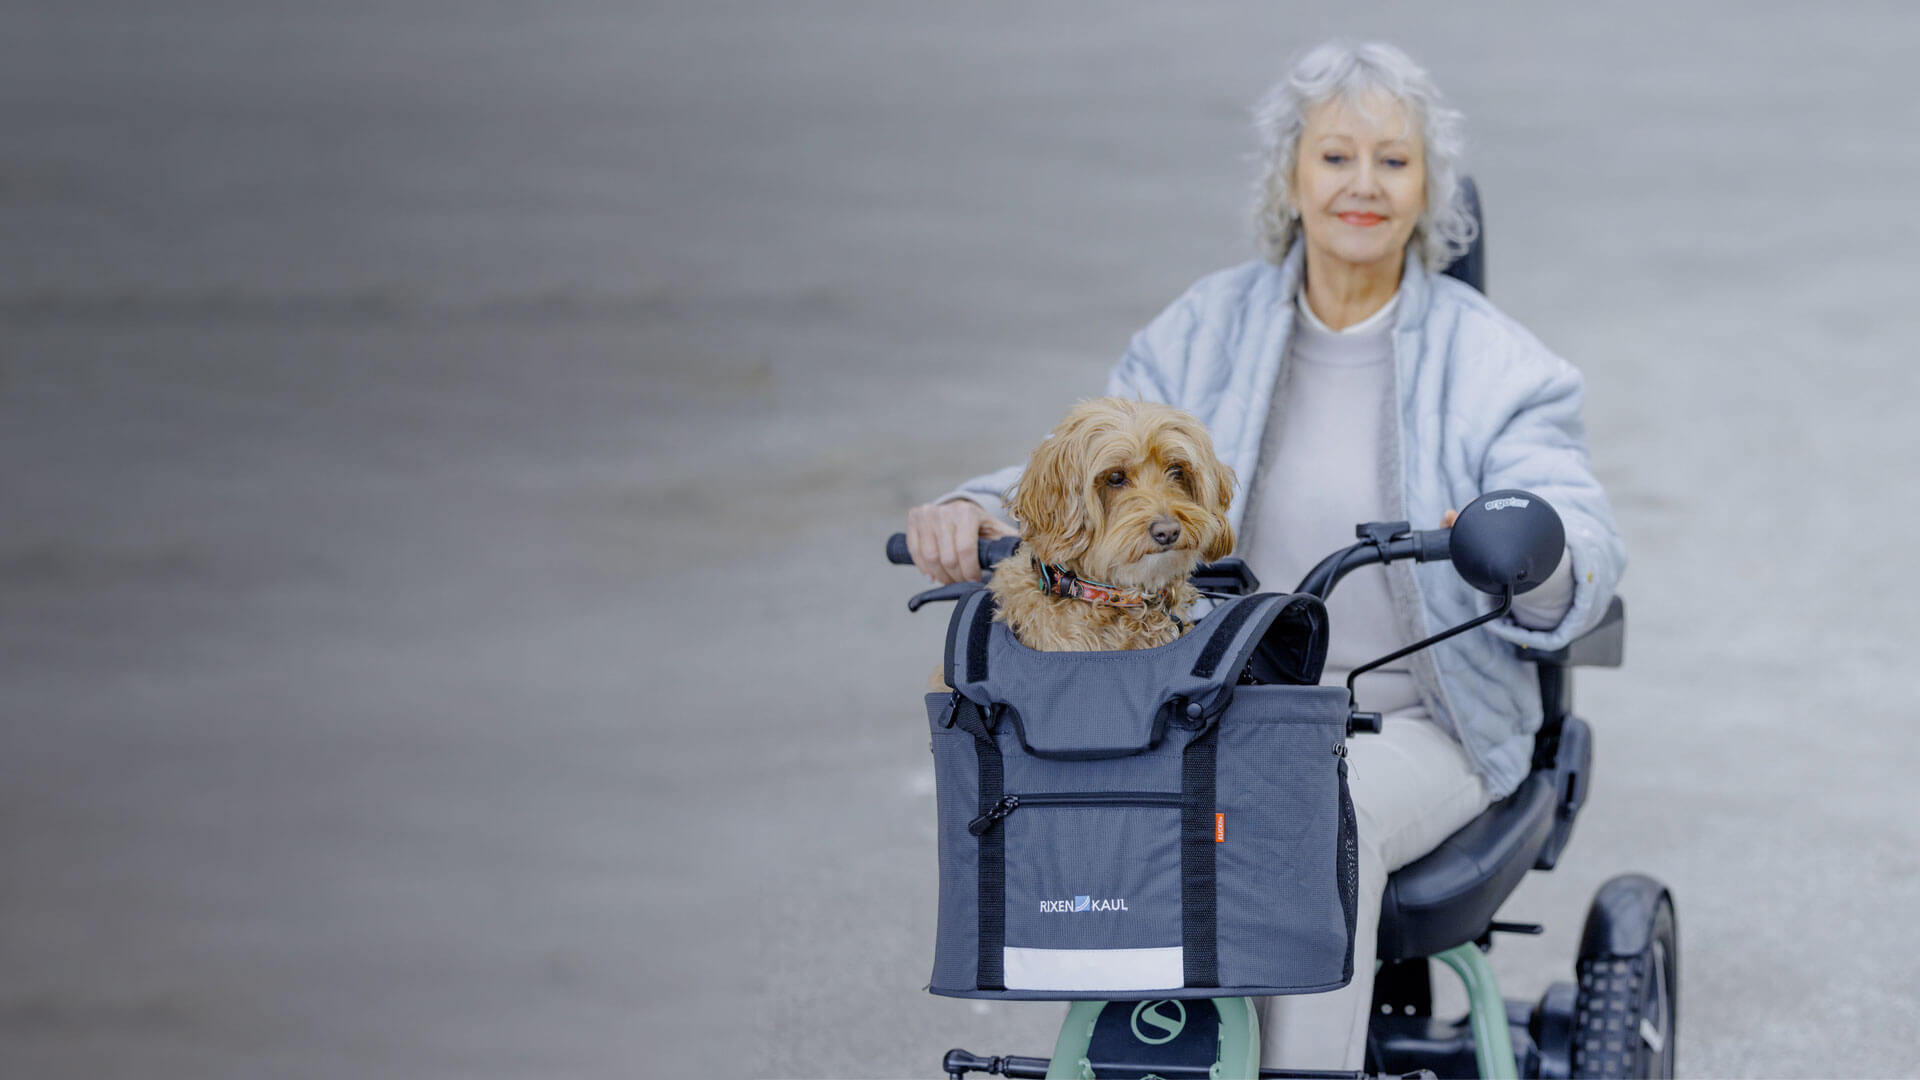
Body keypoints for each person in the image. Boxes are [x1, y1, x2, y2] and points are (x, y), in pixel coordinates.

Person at [904, 40, 1624, 1070]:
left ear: (1432, 189)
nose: (1363, 185)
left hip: (1420, 720)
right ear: (1291, 176)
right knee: (1086, 789)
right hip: (1214, 699)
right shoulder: (1206, 327)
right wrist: (970, 510)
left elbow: (1581, 528)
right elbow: (1085, 463)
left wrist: (1533, 548)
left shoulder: (1501, 366)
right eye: (1336, 157)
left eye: (1393, 160)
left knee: (1310, 808)